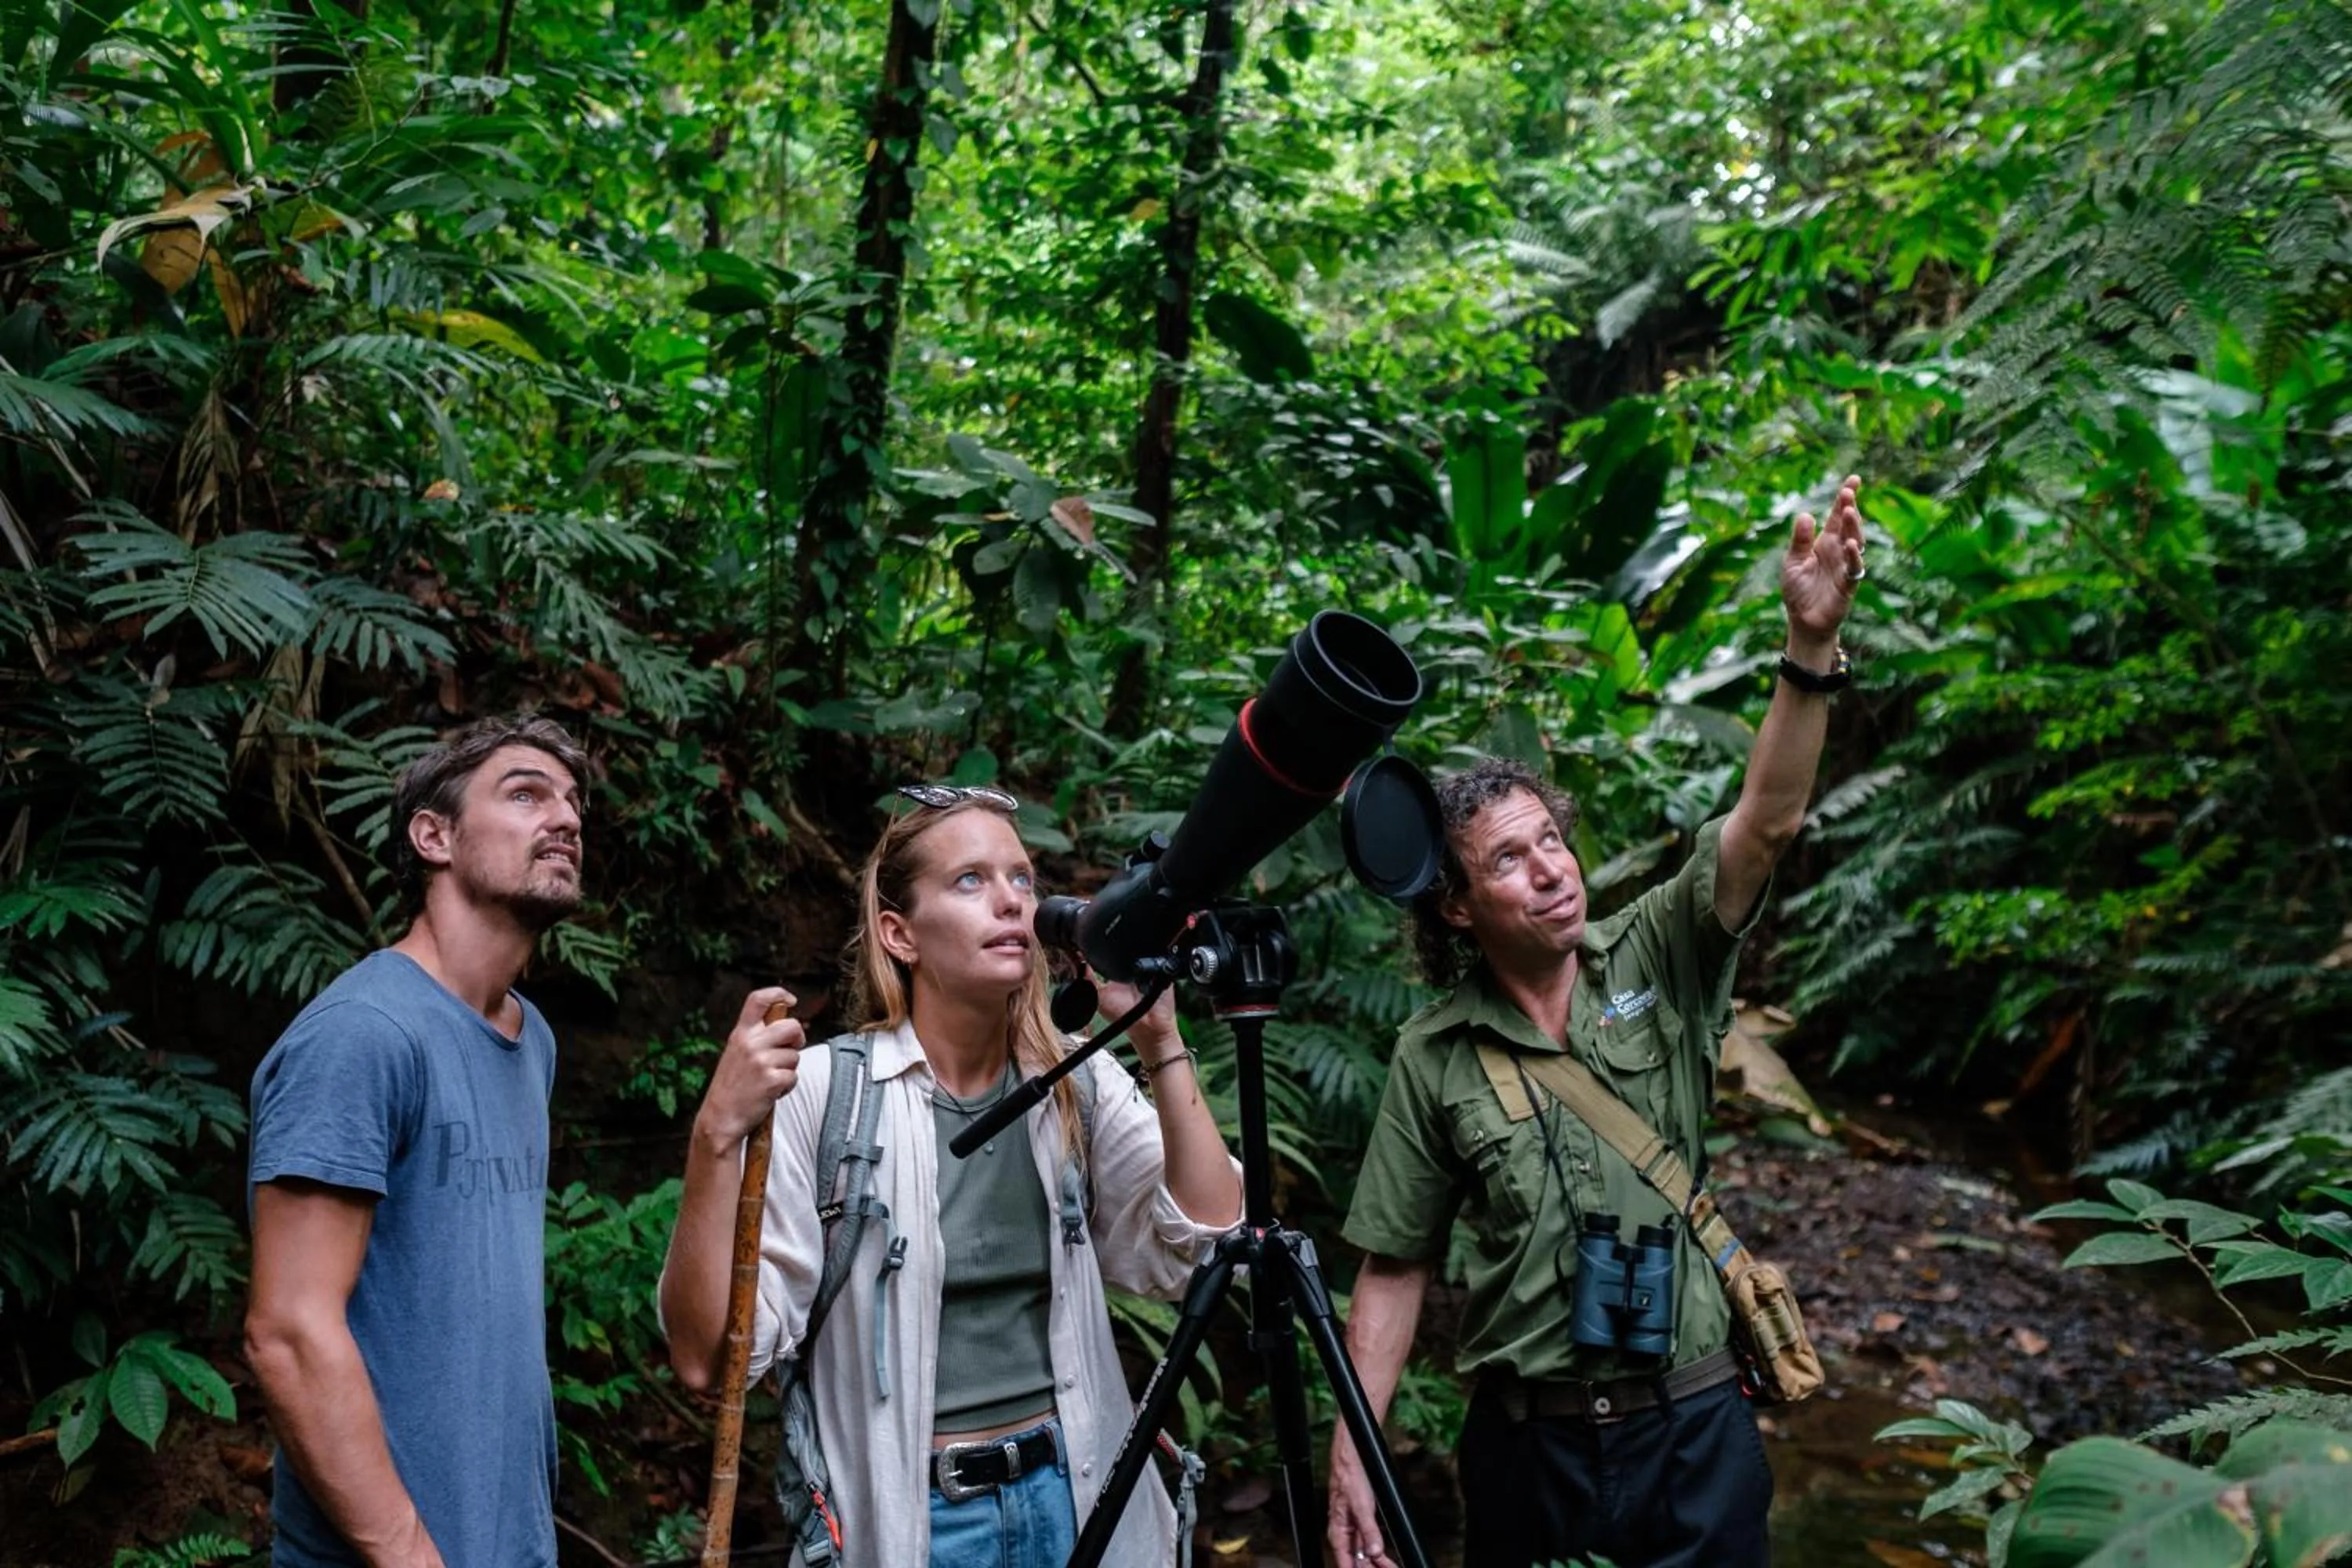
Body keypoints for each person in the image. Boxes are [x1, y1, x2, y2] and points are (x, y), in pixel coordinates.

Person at [1327, 477, 1871, 1568]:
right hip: (1532, 1454)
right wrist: (1356, 1450)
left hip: (1695, 1431)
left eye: (1553, 843)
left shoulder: (1660, 947)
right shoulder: (1435, 1054)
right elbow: (1394, 1268)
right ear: (1457, 906)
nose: (1550, 873)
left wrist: (1810, 642)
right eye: (1510, 861)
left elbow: (1767, 821)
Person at [660, 783, 1244, 1568]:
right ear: (899, 933)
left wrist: (1158, 1039)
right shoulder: (828, 1094)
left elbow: (1205, 1240)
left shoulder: (1077, 1080)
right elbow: (712, 1357)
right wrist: (714, 1135)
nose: (1010, 900)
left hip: (1082, 1500)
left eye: (1021, 878)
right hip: (919, 1524)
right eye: (969, 879)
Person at [244, 714, 590, 1568]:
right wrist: (406, 1551)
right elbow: (288, 1330)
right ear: (433, 835)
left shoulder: (529, 1034)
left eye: (574, 802)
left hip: (510, 1537)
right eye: (525, 793)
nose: (568, 818)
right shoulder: (363, 1033)